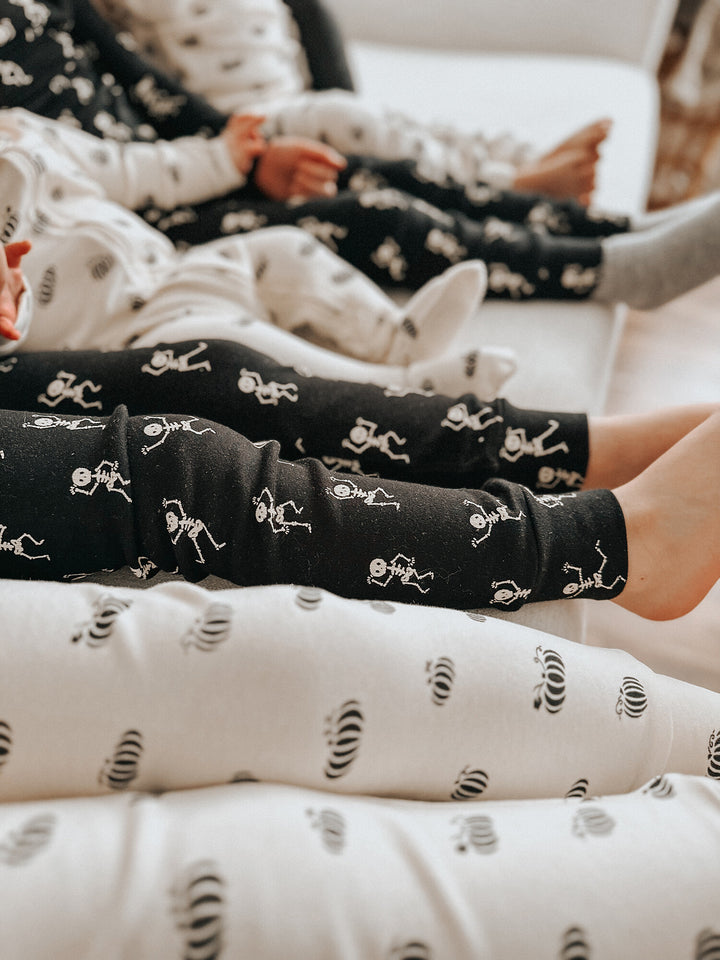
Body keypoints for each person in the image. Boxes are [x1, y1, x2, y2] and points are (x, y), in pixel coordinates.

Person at [6, 2, 720, 307]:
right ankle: (608, 268)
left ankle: (608, 234)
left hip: (182, 157)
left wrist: (241, 158)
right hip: (117, 215)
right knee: (371, 216)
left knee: (350, 153)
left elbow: (143, 87)